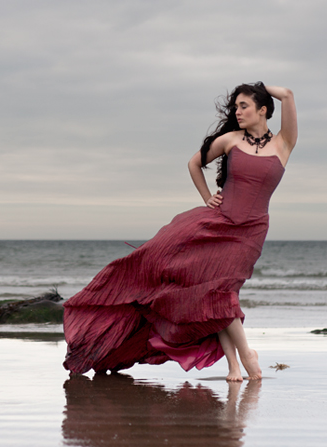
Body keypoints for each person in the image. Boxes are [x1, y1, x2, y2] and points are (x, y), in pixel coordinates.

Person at [62, 82, 297, 382]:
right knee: (217, 292)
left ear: (263, 110)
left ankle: (241, 362)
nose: (237, 112)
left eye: (244, 106)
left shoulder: (283, 144)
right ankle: (239, 363)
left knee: (220, 292)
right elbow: (194, 163)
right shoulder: (231, 140)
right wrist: (206, 197)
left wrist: (262, 86)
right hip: (219, 223)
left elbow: (288, 94)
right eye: (235, 107)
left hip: (250, 231)